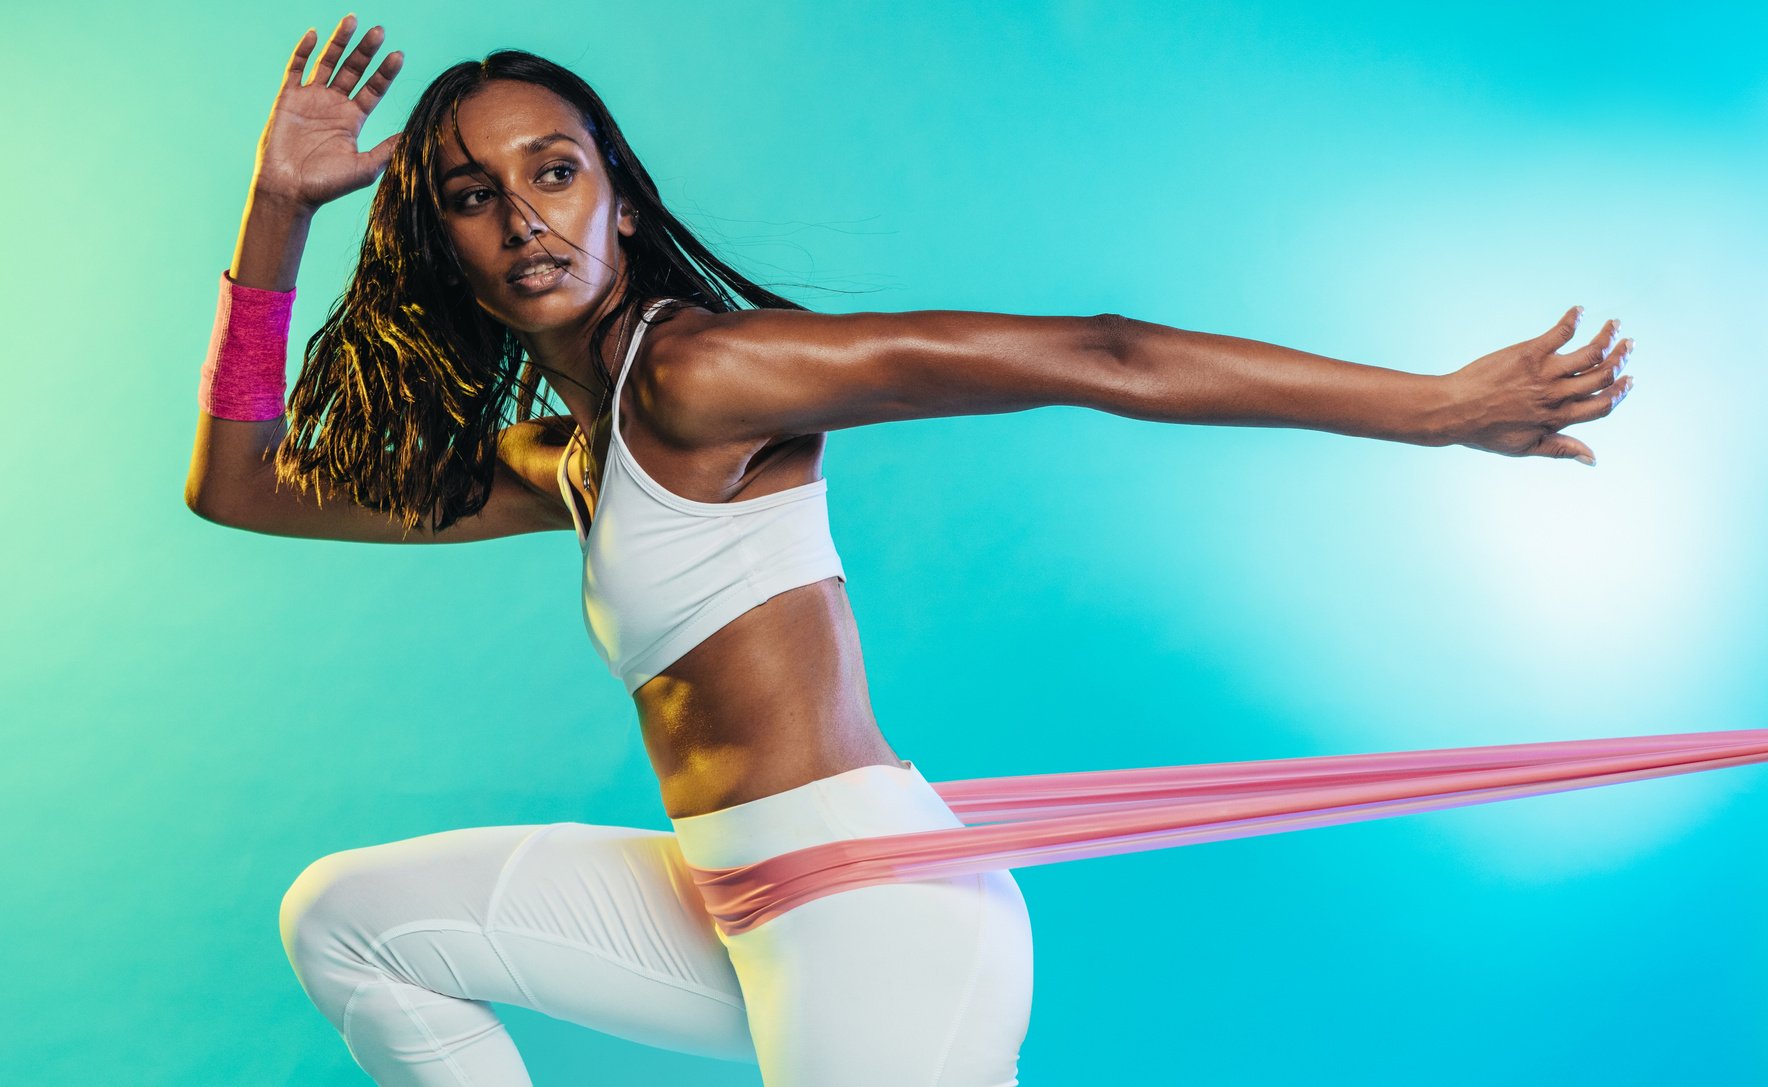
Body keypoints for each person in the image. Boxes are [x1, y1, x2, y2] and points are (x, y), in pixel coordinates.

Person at [186, 15, 1638, 1086]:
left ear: (615, 193)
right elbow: (240, 486)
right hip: (734, 898)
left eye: (553, 173)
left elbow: (1098, 352)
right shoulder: (569, 454)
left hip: (873, 913)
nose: (522, 219)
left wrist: (1438, 408)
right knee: (352, 921)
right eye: (470, 197)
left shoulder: (700, 380)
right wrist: (276, 209)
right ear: (438, 244)